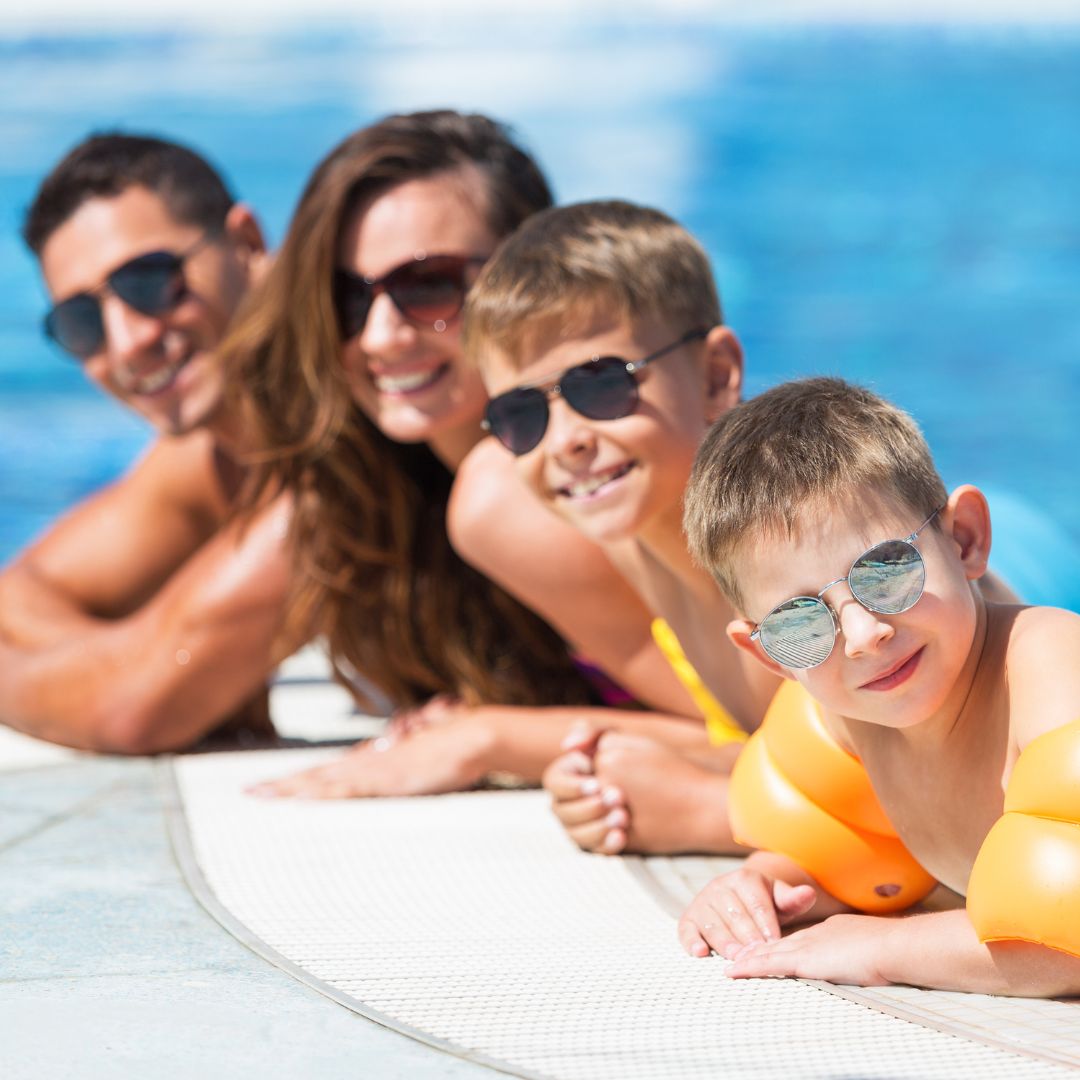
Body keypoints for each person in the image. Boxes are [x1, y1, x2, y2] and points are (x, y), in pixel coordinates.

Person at [224, 112, 709, 801]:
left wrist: (488, 738)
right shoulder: (397, 493)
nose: (381, 336)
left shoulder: (511, 490)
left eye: (429, 285)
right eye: (347, 298)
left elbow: (744, 733)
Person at [677, 377, 1080, 998]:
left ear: (965, 539)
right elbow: (841, 853)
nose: (863, 636)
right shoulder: (845, 719)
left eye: (886, 571)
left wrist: (883, 947)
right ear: (769, 654)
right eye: (800, 622)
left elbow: (1064, 939)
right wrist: (764, 884)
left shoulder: (1050, 668)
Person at [461, 199, 784, 852]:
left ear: (716, 375)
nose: (565, 441)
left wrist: (708, 811)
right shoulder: (638, 538)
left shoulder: (792, 555)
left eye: (601, 386)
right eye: (521, 415)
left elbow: (928, 800)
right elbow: (767, 745)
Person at [0, 133, 289, 754]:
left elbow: (130, 711)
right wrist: (127, 657)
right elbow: (15, 595)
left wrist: (137, 668)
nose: (128, 341)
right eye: (81, 321)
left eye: (148, 281)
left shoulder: (345, 442)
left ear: (247, 245)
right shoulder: (212, 460)